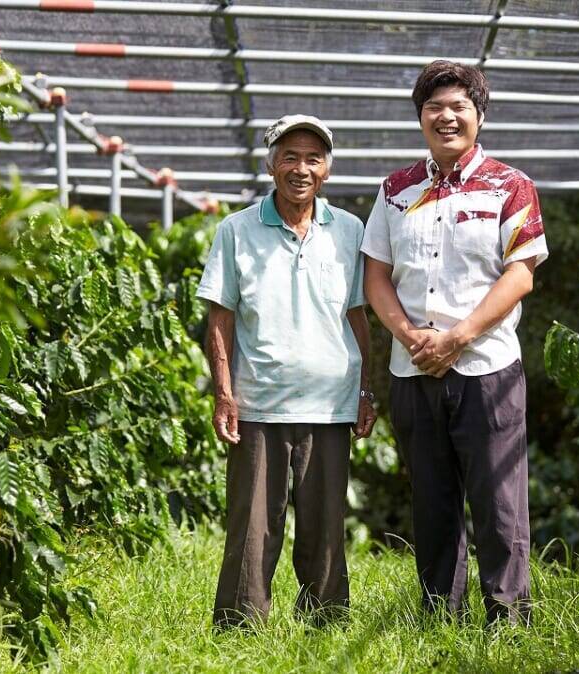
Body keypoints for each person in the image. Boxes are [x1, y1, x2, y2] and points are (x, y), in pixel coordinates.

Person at [361, 61, 547, 626]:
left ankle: (509, 620)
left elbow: (521, 275)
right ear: (420, 118)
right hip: (413, 367)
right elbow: (375, 276)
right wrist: (413, 336)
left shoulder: (511, 185)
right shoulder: (395, 190)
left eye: (458, 106)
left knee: (498, 503)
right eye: (434, 107)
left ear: (478, 115)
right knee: (433, 501)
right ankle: (440, 618)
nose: (446, 116)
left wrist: (458, 337)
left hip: (488, 367)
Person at [197, 114, 376, 626]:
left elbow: (357, 314)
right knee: (253, 525)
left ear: (327, 170)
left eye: (313, 158)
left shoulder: (349, 230)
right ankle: (239, 624)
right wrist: (225, 394)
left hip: (330, 402)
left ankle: (326, 621)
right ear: (272, 163)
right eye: (290, 156)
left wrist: (367, 390)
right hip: (259, 402)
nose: (301, 168)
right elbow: (220, 317)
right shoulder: (236, 231)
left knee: (324, 524)